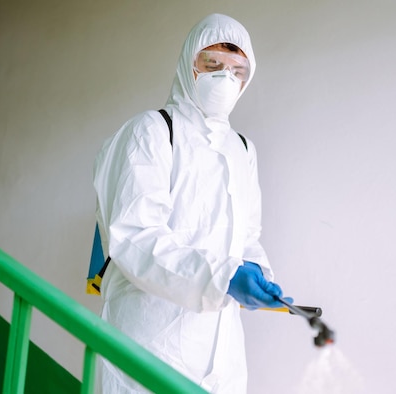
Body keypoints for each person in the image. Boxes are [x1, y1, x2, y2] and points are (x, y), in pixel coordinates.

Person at [93, 13, 290, 394]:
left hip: (222, 351)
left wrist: (257, 272)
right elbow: (135, 237)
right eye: (212, 65)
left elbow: (247, 234)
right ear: (189, 64)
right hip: (151, 339)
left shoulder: (242, 148)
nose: (225, 79)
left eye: (237, 71)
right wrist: (221, 278)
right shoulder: (153, 130)